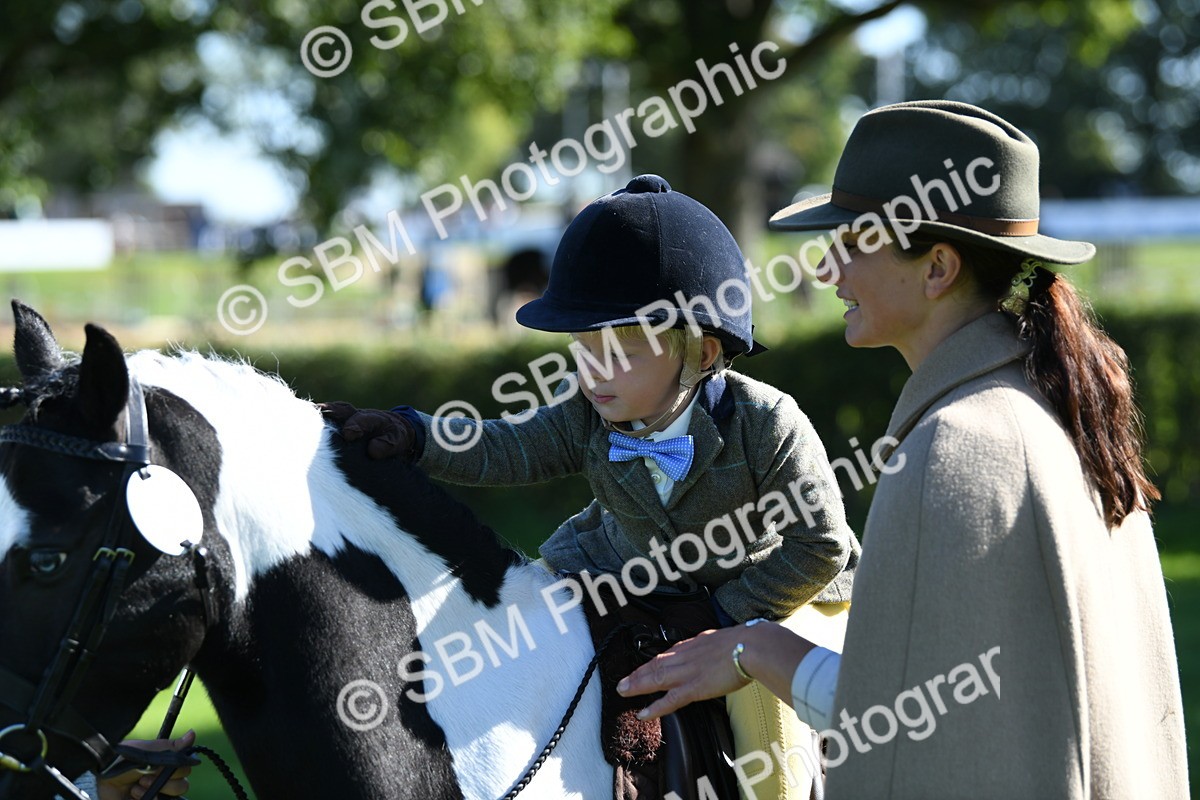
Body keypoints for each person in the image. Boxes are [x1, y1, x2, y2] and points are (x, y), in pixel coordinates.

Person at [618, 101, 1190, 798]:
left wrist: (754, 648)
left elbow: (909, 727)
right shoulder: (1056, 411)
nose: (828, 268)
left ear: (937, 267)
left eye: (854, 240)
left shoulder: (956, 450)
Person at [324, 173, 860, 798]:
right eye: (583, 347)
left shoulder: (769, 423)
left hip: (768, 596)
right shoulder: (587, 410)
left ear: (704, 352)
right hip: (621, 574)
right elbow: (509, 447)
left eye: (621, 350)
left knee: (776, 753)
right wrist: (416, 435)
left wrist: (726, 621)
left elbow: (820, 544)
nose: (592, 372)